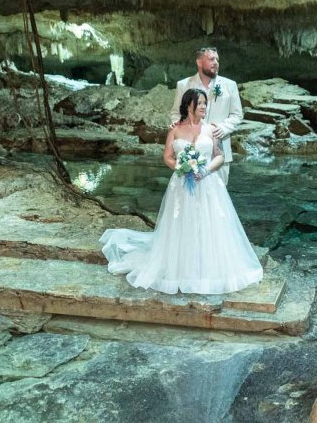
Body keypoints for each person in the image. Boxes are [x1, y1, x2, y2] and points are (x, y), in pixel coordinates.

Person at [100, 88, 263, 295]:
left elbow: (219, 156)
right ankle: (181, 265)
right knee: (182, 222)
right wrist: (181, 167)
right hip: (181, 184)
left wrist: (205, 170)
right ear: (188, 105)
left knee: (210, 222)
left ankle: (208, 266)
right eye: (200, 103)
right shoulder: (175, 130)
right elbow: (167, 157)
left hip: (208, 184)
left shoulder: (211, 129)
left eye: (205, 103)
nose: (204, 106)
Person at [169, 47, 243, 184]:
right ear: (199, 62)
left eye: (217, 60)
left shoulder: (230, 85)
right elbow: (176, 113)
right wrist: (180, 125)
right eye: (211, 59)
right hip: (190, 153)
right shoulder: (183, 85)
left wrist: (223, 128)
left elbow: (237, 114)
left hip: (219, 152)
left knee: (218, 194)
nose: (216, 63)